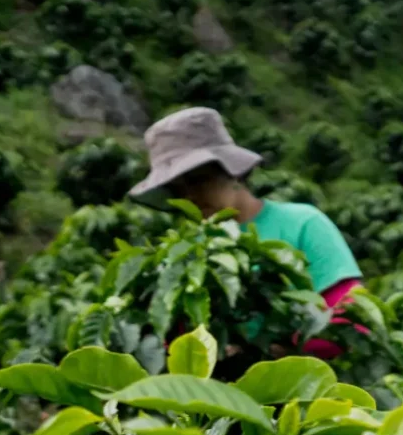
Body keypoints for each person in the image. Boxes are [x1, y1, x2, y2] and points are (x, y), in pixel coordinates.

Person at [129, 107, 363, 358]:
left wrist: (274, 352)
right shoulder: (188, 252)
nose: (190, 196)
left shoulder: (303, 223)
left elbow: (351, 315)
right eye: (176, 190)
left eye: (199, 180)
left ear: (233, 171)